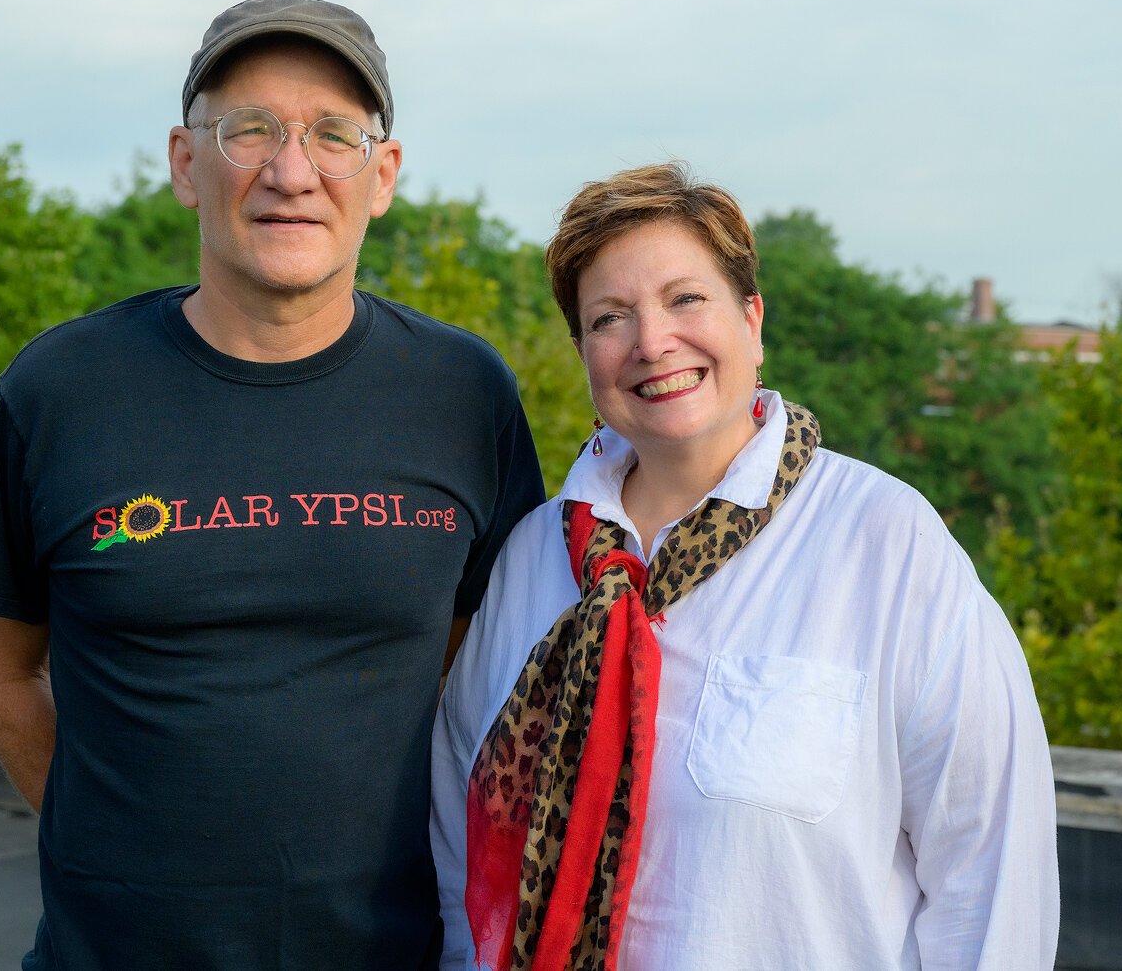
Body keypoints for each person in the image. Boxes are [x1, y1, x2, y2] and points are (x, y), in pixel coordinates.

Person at [0, 0, 544, 970]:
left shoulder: (462, 393)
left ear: (382, 174)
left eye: (333, 136)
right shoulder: (60, 390)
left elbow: (485, 663)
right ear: (186, 162)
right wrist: (102, 837)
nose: (291, 171)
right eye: (250, 130)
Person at [431, 163, 1059, 970]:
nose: (652, 341)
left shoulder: (884, 542)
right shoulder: (532, 561)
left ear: (753, 320)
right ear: (585, 353)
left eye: (686, 298)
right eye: (610, 318)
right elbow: (458, 844)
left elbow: (992, 876)